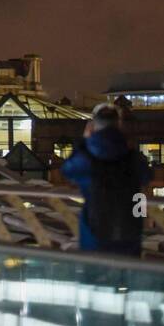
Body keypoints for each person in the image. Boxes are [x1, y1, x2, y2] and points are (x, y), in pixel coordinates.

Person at [61, 103, 152, 255]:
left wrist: (82, 142)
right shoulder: (131, 156)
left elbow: (67, 171)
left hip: (95, 232)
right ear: (119, 124)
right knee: (128, 275)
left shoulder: (86, 157)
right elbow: (147, 176)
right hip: (129, 232)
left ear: (93, 126)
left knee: (94, 275)